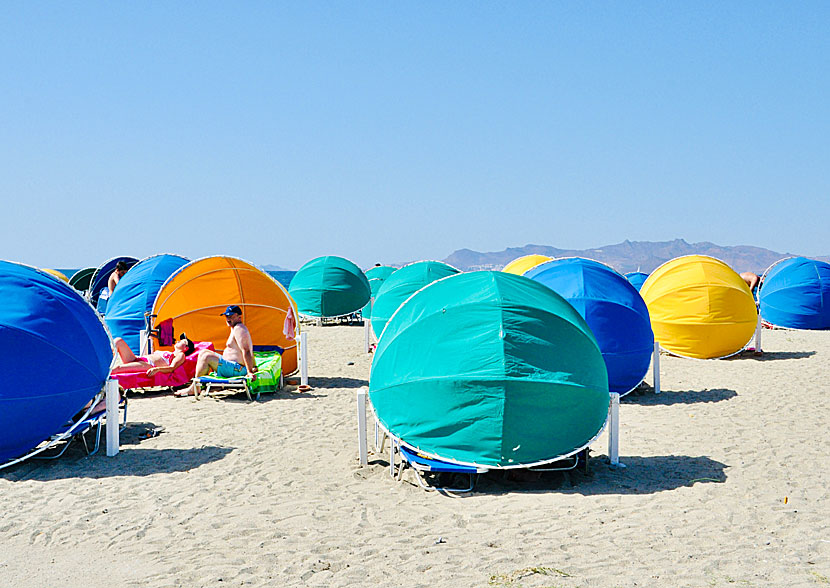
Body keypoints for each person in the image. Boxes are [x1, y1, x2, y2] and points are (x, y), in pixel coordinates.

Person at [175, 305, 258, 397]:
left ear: (239, 317)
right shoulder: (234, 328)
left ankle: (195, 388)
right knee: (203, 352)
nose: (228, 319)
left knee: (207, 357)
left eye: (230, 316)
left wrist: (250, 371)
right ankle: (196, 386)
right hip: (232, 367)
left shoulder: (239, 329)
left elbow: (246, 350)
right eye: (226, 316)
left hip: (238, 369)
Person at [111, 334, 196, 376]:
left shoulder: (180, 355)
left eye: (182, 341)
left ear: (186, 348)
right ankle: (103, 361)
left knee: (118, 368)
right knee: (118, 341)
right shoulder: (170, 352)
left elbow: (172, 368)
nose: (178, 341)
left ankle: (100, 376)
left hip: (148, 365)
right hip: (139, 359)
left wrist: (157, 369)